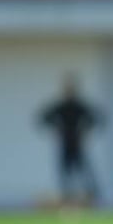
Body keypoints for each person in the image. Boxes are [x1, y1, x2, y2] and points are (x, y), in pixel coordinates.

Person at [39, 74, 100, 207]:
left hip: (77, 144)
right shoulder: (61, 106)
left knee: (85, 173)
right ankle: (67, 200)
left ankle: (93, 199)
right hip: (65, 145)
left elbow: (94, 118)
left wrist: (85, 131)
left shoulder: (79, 106)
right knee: (65, 175)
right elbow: (44, 118)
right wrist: (56, 129)